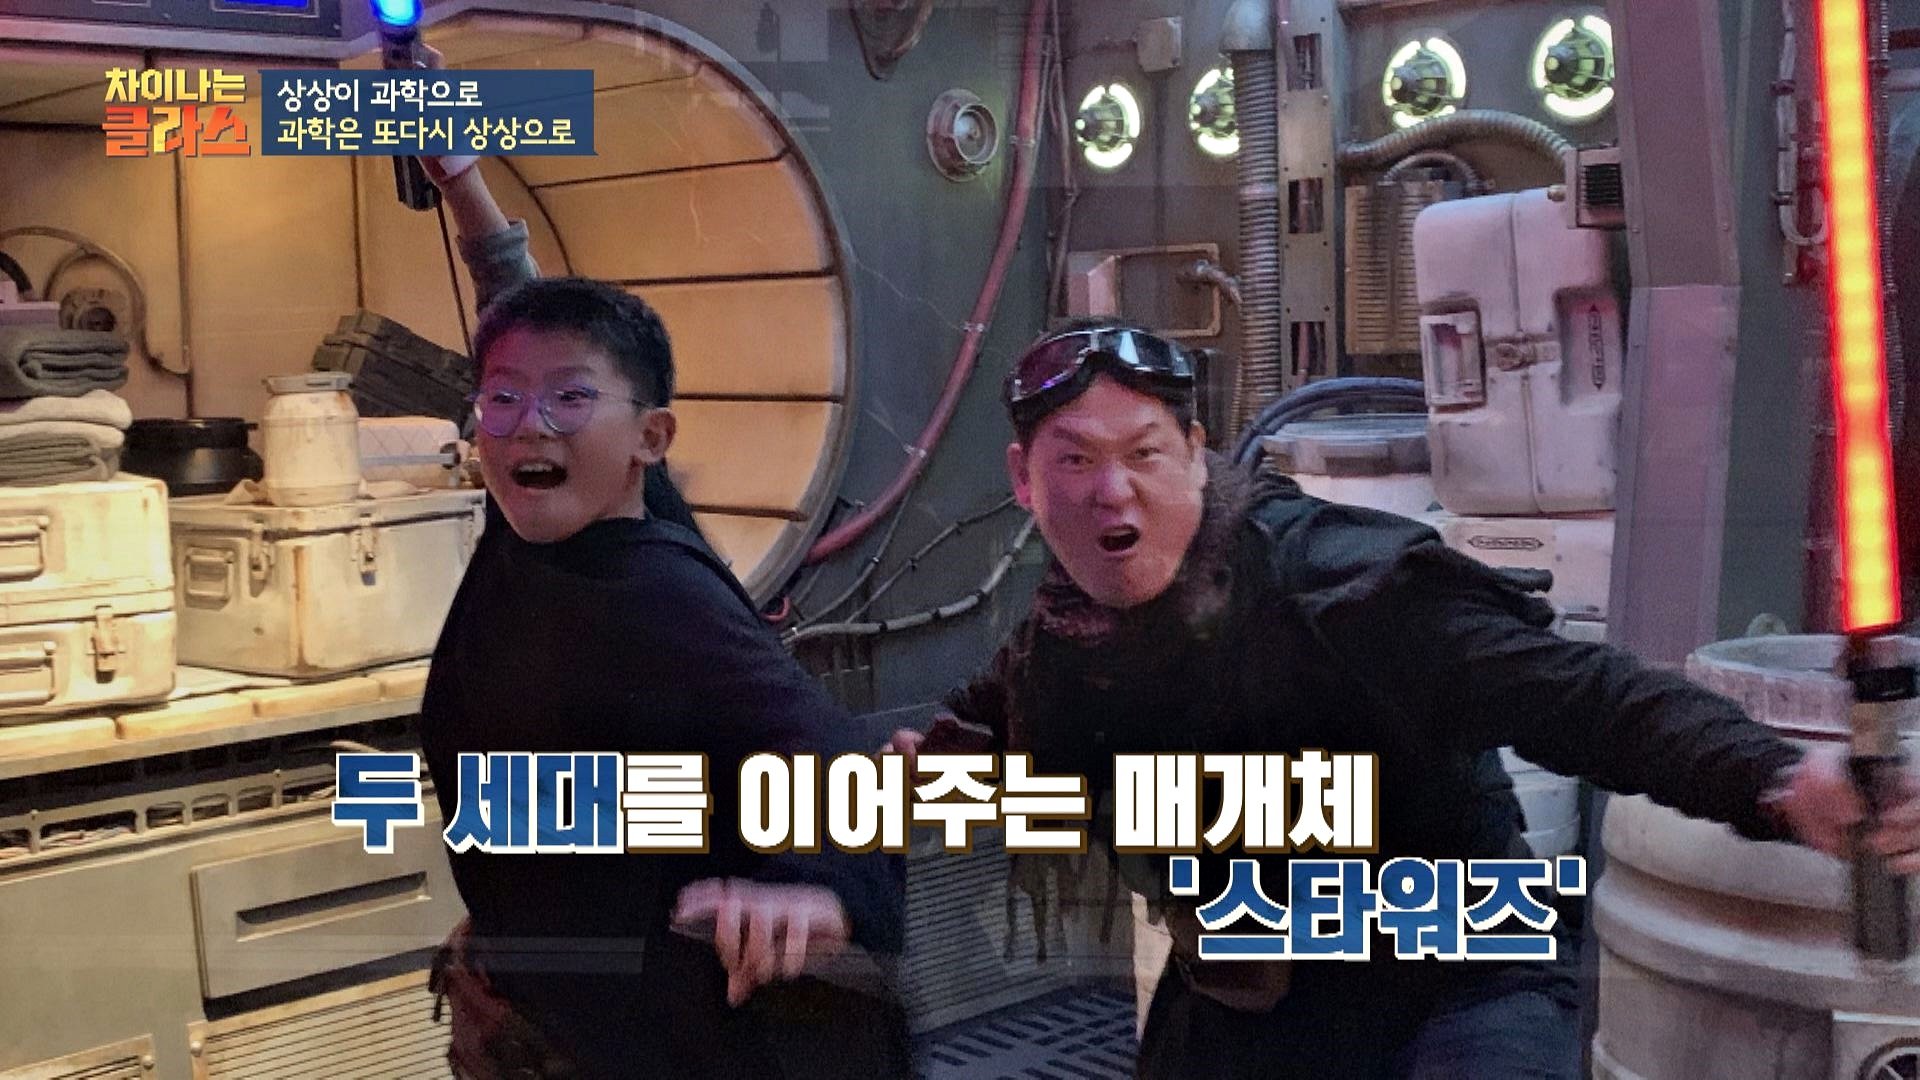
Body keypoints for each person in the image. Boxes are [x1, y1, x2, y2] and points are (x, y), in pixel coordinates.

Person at [886, 319, 1920, 1079]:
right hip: (1250, 993)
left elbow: (1587, 699)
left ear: (1195, 454)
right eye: (1074, 461)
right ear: (1025, 479)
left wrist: (1778, 779)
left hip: (1456, 981)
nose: (1112, 492)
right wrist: (937, 776)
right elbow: (989, 729)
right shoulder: (1062, 634)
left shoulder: (1346, 588)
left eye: (1143, 453)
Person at [402, 83, 911, 1079]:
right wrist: (458, 175)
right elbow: (523, 318)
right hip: (547, 1016)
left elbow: (839, 764)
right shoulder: (541, 524)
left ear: (652, 437)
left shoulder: (653, 597)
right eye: (501, 400)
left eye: (568, 401)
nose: (529, 424)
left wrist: (826, 893)